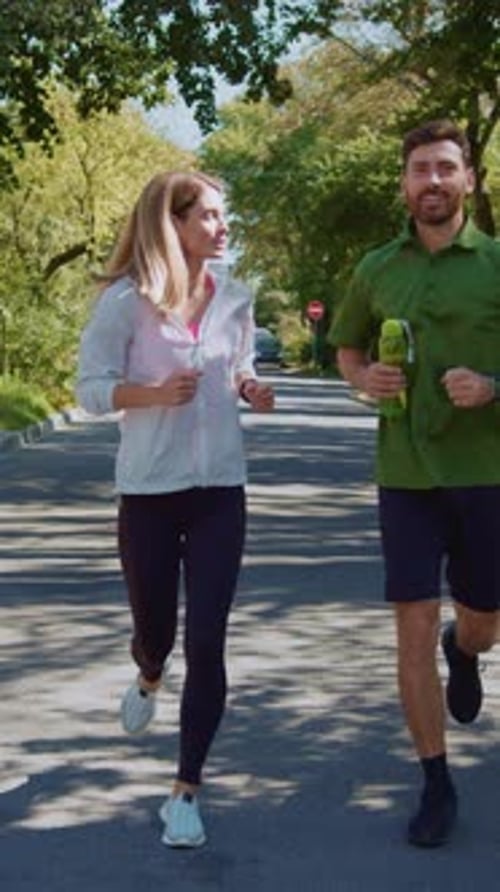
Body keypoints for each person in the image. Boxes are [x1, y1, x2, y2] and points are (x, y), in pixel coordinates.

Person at [76, 170, 274, 849]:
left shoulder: (237, 298)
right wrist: (153, 394)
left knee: (209, 641)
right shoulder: (126, 304)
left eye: (224, 216)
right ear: (175, 223)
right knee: (156, 631)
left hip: (222, 489)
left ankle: (185, 790)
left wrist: (251, 386)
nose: (224, 228)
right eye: (212, 217)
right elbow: (90, 391)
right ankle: (148, 671)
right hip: (150, 494)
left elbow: (238, 365)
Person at [329, 119, 500, 848]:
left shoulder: (496, 265)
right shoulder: (376, 268)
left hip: (486, 473)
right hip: (403, 474)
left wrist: (493, 385)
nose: (432, 181)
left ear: (468, 180)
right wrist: (363, 377)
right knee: (410, 626)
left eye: (445, 169)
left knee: (485, 621)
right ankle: (435, 781)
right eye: (419, 170)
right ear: (404, 184)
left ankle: (467, 650)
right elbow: (345, 347)